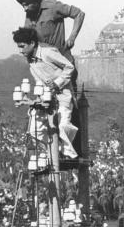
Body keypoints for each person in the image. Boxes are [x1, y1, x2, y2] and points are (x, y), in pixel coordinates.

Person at [12, 26, 78, 159]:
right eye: (18, 47)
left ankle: (66, 154)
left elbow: (69, 67)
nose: (20, 50)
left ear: (32, 43)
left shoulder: (48, 53)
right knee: (34, 131)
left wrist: (57, 83)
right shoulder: (30, 60)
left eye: (22, 46)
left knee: (64, 127)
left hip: (63, 97)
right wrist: (37, 99)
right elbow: (39, 81)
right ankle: (54, 153)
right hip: (46, 100)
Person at [14, 0, 85, 63]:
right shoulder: (29, 14)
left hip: (61, 60)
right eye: (23, 5)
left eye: (27, 5)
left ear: (35, 1)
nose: (25, 9)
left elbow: (79, 14)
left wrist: (72, 38)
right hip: (42, 63)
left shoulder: (53, 6)